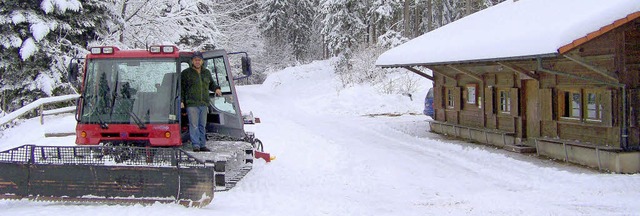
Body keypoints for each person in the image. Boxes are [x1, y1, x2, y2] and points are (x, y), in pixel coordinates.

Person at [181, 51, 222, 152]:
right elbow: (181, 88)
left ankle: (202, 144)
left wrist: (216, 88)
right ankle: (196, 145)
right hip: (192, 104)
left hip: (204, 103)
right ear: (192, 61)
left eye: (199, 60)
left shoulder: (206, 72)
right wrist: (182, 101)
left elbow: (211, 84)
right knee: (194, 125)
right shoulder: (186, 73)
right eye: (195, 60)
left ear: (202, 61)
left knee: (202, 125)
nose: (197, 62)